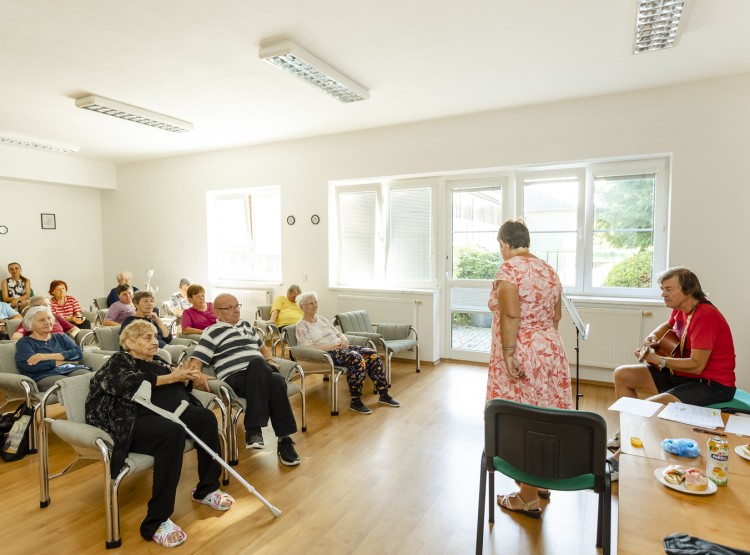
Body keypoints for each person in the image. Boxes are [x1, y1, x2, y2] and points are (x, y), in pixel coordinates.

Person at [86, 319, 233, 548]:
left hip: (165, 414)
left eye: (155, 336)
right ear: (129, 343)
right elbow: (124, 385)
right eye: (147, 337)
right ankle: (157, 521)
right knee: (171, 433)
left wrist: (184, 377)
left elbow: (174, 391)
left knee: (205, 418)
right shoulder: (119, 361)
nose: (155, 341)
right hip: (131, 420)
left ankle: (207, 489)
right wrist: (172, 377)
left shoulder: (159, 362)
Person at [606, 267, 736, 481]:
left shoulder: (705, 316)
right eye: (661, 289)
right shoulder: (682, 308)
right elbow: (668, 325)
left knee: (653, 405)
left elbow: (697, 365)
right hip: (684, 375)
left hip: (711, 384)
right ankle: (627, 434)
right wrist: (652, 337)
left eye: (668, 289)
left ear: (688, 290)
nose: (663, 294)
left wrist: (659, 360)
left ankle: (620, 463)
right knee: (623, 374)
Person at [486, 220, 572, 518]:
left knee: (521, 420)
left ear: (504, 244)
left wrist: (510, 353)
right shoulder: (549, 270)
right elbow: (557, 314)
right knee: (544, 415)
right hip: (549, 347)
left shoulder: (510, 269)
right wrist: (544, 342)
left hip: (521, 347)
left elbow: (511, 314)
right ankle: (539, 481)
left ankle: (527, 498)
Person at [186, 293, 301, 466]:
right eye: (229, 308)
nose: (236, 311)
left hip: (260, 373)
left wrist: (269, 360)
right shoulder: (211, 332)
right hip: (236, 378)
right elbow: (195, 362)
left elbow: (264, 349)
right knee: (274, 379)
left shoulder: (247, 326)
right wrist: (199, 374)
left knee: (265, 370)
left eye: (236, 306)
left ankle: (258, 431)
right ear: (217, 312)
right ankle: (283, 440)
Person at [295, 291, 401, 415]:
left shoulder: (322, 319)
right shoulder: (301, 325)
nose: (315, 305)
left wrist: (344, 339)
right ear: (301, 307)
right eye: (310, 303)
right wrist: (333, 346)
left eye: (316, 302)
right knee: (356, 358)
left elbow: (338, 333)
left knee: (372, 354)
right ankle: (355, 401)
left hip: (340, 347)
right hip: (326, 354)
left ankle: (384, 393)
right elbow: (309, 347)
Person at [14, 306, 90, 390]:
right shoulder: (24, 343)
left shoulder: (61, 337)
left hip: (70, 369)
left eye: (49, 318)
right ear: (30, 324)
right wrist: (63, 360)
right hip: (43, 376)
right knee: (68, 385)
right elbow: (30, 366)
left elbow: (78, 353)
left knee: (89, 378)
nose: (47, 322)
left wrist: (45, 357)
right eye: (41, 320)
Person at [11, 295, 79, 340]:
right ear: (33, 307)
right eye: (44, 305)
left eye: (49, 305)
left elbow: (75, 329)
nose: (48, 307)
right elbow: (16, 336)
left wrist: (70, 337)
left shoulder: (56, 316)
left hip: (64, 342)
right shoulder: (29, 319)